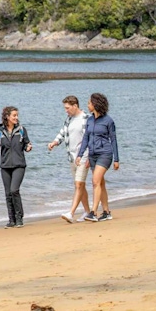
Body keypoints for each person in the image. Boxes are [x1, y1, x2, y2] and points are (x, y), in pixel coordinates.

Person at [75, 93, 119, 222]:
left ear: (95, 104)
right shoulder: (89, 120)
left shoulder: (108, 121)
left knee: (95, 182)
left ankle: (93, 212)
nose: (87, 105)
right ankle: (106, 212)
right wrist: (80, 155)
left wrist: (116, 159)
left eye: (89, 103)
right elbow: (85, 139)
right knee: (100, 183)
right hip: (93, 155)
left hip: (105, 154)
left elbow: (114, 140)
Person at [48, 95, 91, 223]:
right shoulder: (69, 119)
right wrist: (55, 142)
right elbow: (63, 132)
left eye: (67, 108)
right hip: (72, 158)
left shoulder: (86, 118)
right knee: (80, 185)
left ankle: (71, 213)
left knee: (78, 184)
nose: (66, 110)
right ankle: (88, 212)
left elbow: (90, 139)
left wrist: (89, 156)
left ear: (75, 106)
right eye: (65, 108)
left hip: (83, 157)